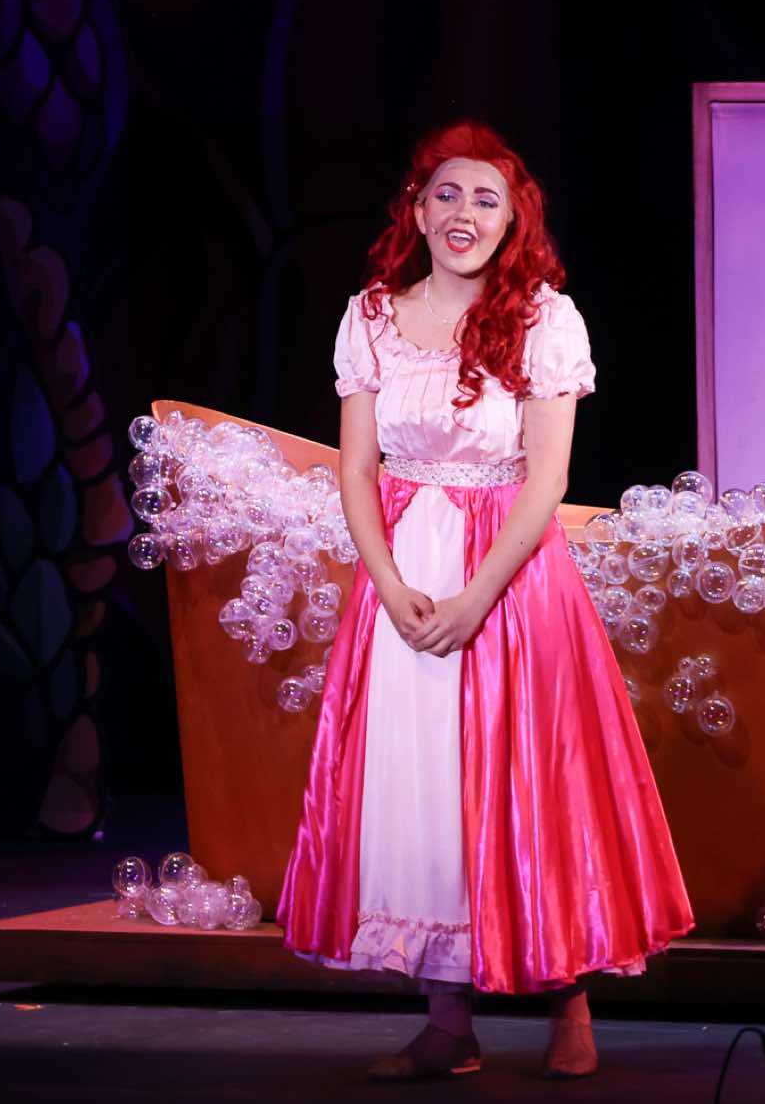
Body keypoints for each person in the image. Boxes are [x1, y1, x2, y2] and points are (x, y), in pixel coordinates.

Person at [278, 120, 693, 1082]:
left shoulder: (544, 320)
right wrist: (389, 585)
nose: (464, 212)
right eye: (447, 194)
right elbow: (356, 465)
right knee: (421, 782)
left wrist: (477, 596)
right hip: (404, 568)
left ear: (512, 220)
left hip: (511, 573)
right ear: (417, 210)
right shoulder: (372, 317)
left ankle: (567, 999)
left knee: (528, 775)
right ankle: (448, 1020)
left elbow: (547, 478)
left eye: (486, 199)